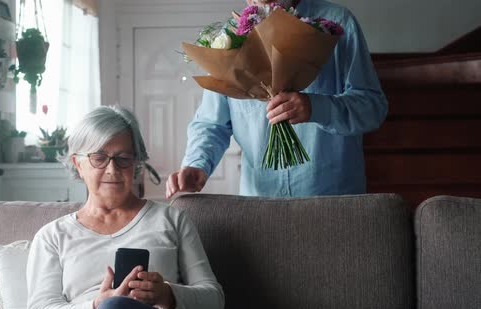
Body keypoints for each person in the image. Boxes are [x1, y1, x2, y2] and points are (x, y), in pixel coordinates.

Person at [27, 106, 224, 309]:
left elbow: (214, 302)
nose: (112, 169)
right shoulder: (52, 236)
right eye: (99, 158)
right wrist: (97, 306)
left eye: (123, 158)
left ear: (136, 163)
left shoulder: (172, 220)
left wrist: (167, 294)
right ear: (77, 164)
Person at [166, 0, 388, 199]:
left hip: (333, 201)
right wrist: (197, 163)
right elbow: (210, 124)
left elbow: (372, 108)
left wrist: (316, 107)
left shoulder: (339, 23)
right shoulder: (226, 40)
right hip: (260, 205)